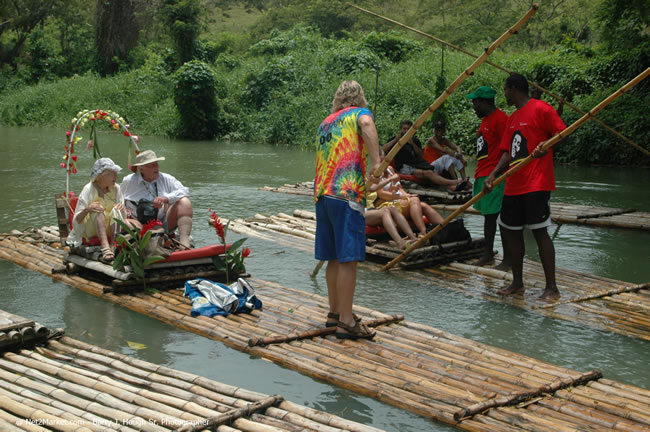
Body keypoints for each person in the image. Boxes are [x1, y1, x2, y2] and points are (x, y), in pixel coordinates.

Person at [483, 73, 566, 301]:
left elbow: (562, 133)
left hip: (536, 182)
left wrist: (545, 146)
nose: (504, 94)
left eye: (505, 90)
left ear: (513, 88)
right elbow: (508, 153)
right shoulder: (512, 118)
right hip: (513, 184)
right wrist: (492, 175)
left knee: (540, 231)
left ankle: (552, 288)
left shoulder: (541, 109)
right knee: (511, 233)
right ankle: (517, 283)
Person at [314, 80, 380, 340]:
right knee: (348, 259)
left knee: (332, 257)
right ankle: (346, 320)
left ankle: (334, 313)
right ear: (359, 97)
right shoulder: (359, 114)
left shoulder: (326, 122)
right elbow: (366, 125)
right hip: (347, 192)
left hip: (323, 194)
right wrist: (377, 160)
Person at [466, 85, 511, 269]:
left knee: (501, 218)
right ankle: (488, 254)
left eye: (475, 103)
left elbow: (507, 150)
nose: (473, 106)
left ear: (484, 102)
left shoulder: (500, 119)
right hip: (484, 174)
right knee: (489, 218)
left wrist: (494, 175)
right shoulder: (485, 120)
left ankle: (508, 259)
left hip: (496, 176)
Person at [68, 158, 137, 263]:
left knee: (116, 210)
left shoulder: (117, 189)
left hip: (112, 229)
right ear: (102, 175)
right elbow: (77, 219)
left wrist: (122, 209)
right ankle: (105, 248)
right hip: (92, 228)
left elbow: (124, 215)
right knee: (97, 209)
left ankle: (113, 246)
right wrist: (87, 210)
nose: (116, 177)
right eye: (112, 174)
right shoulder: (88, 189)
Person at [120, 150, 194, 248]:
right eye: (151, 165)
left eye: (157, 164)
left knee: (184, 202)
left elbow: (185, 191)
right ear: (141, 168)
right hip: (137, 224)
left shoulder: (166, 178)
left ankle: (185, 243)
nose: (156, 167)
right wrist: (125, 212)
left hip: (163, 222)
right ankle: (143, 242)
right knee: (123, 220)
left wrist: (166, 198)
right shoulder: (129, 181)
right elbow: (118, 199)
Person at [383, 120, 468, 192]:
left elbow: (420, 155)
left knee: (431, 172)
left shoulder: (415, 141)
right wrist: (396, 140)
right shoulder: (395, 139)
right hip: (403, 167)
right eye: (404, 129)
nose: (406, 131)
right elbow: (384, 149)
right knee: (427, 173)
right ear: (401, 130)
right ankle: (456, 182)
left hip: (416, 164)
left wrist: (412, 143)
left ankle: (452, 186)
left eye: (408, 129)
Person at [372, 164, 444, 238]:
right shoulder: (376, 173)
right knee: (415, 200)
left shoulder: (390, 169)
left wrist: (407, 195)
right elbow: (382, 194)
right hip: (387, 202)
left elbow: (400, 188)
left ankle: (445, 227)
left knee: (423, 206)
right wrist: (405, 197)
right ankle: (424, 232)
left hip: (400, 199)